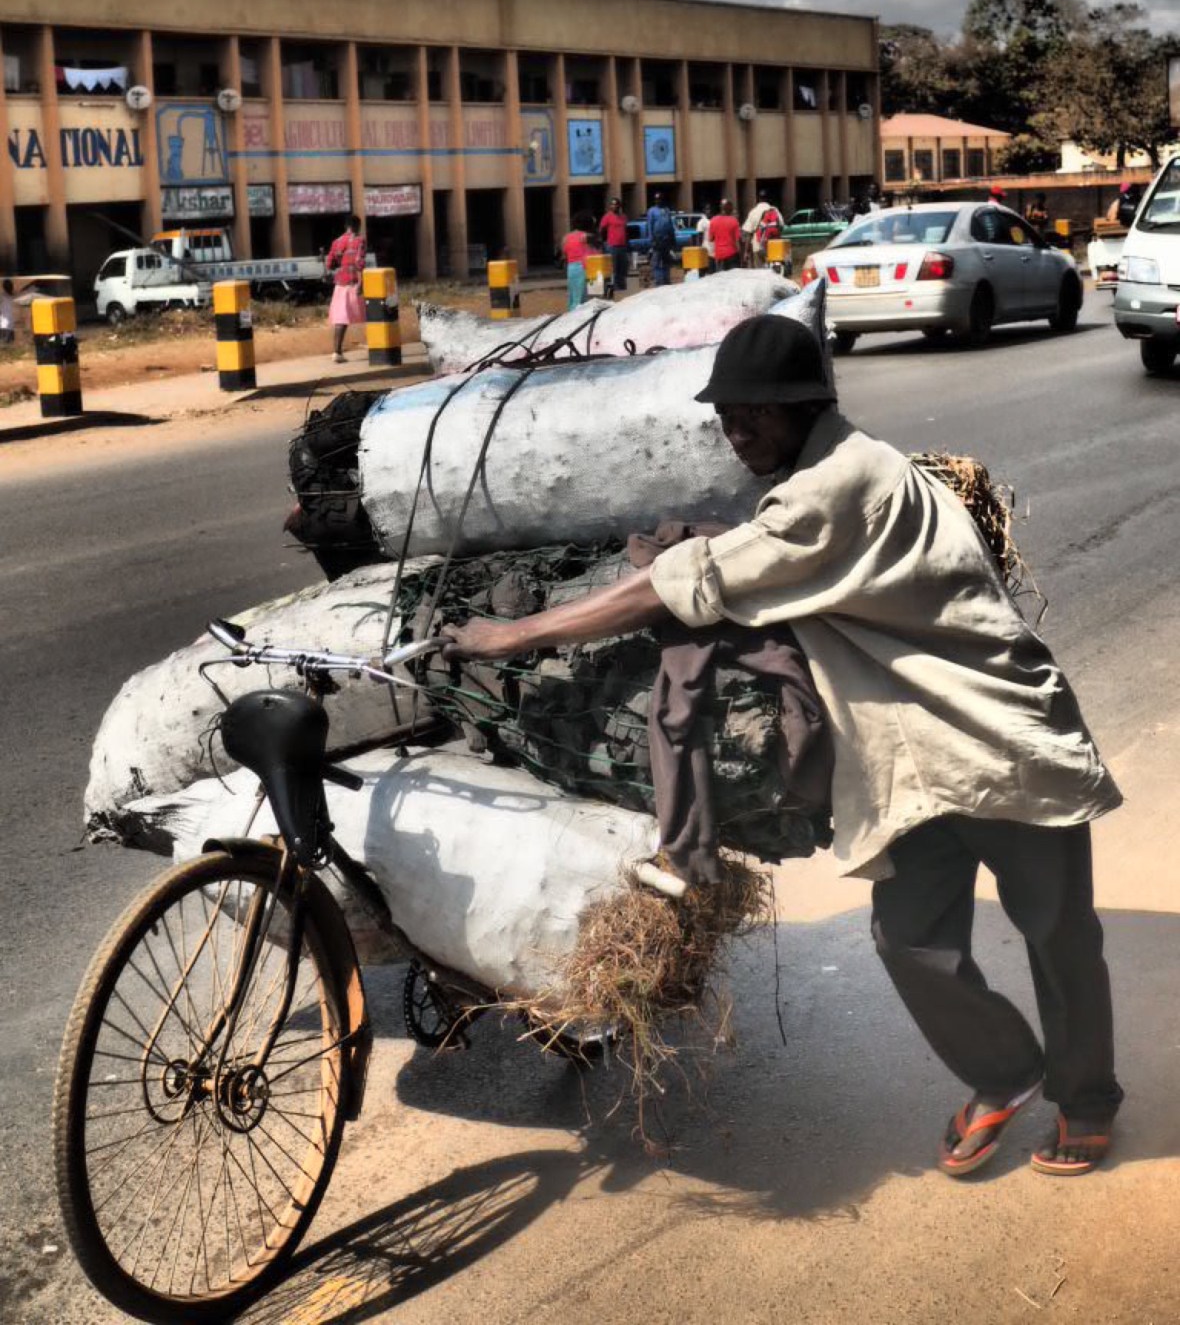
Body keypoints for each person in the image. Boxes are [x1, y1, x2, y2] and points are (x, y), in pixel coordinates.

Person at [443, 311, 1123, 1180]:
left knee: (1058, 932)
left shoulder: (835, 487)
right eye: (726, 415)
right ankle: (1006, 1070)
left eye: (753, 414)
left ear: (805, 405)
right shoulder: (821, 470)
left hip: (1001, 736)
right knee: (909, 937)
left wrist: (516, 636)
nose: (736, 431)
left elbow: (680, 585)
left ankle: (1088, 1099)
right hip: (910, 756)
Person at [325, 214, 366, 362]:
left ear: (345, 226)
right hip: (354, 282)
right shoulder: (360, 240)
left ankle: (337, 352)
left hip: (340, 284)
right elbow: (359, 262)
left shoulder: (337, 242)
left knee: (340, 319)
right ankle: (379, 345)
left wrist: (339, 263)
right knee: (374, 313)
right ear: (358, 226)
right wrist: (362, 283)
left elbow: (329, 264)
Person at [562, 211, 597, 309]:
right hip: (587, 268)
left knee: (574, 296)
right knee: (587, 297)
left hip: (571, 268)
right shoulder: (588, 237)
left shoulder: (566, 237)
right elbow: (597, 249)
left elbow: (564, 254)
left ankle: (573, 313)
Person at [743, 189, 783, 267]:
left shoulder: (753, 212)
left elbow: (748, 233)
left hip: (758, 246)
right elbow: (781, 226)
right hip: (773, 246)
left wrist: (746, 252)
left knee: (760, 273)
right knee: (774, 272)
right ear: (768, 199)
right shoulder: (775, 210)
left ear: (758, 199)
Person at [599, 197, 629, 296]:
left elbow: (626, 230)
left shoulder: (623, 217)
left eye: (616, 204)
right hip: (612, 246)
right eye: (612, 204)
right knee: (614, 269)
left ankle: (622, 288)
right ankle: (614, 289)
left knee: (623, 268)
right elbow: (601, 230)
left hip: (623, 246)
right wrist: (604, 242)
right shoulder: (607, 217)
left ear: (619, 206)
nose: (614, 206)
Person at [646, 193, 676, 287]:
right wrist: (652, 240)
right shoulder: (652, 211)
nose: (659, 201)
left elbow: (670, 224)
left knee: (666, 261)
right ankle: (658, 281)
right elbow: (650, 226)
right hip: (657, 239)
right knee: (657, 261)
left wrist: (672, 237)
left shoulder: (667, 210)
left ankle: (666, 280)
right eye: (657, 199)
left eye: (660, 199)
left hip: (666, 239)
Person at [708, 199, 742, 271]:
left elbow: (711, 239)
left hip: (719, 255)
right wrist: (741, 255)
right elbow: (738, 240)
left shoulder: (713, 220)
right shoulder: (734, 220)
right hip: (732, 254)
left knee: (721, 279)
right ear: (729, 209)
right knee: (733, 278)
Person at [696, 203, 715, 274]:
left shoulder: (714, 220)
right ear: (704, 210)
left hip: (714, 252)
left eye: (710, 209)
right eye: (707, 209)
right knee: (706, 274)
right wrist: (699, 252)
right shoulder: (701, 222)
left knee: (713, 274)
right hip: (705, 251)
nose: (709, 211)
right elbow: (699, 237)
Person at [0, 277, 15, 344]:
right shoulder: (3, 296)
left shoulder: (11, 296)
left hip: (9, 327)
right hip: (6, 327)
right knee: (6, 345)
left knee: (8, 345)